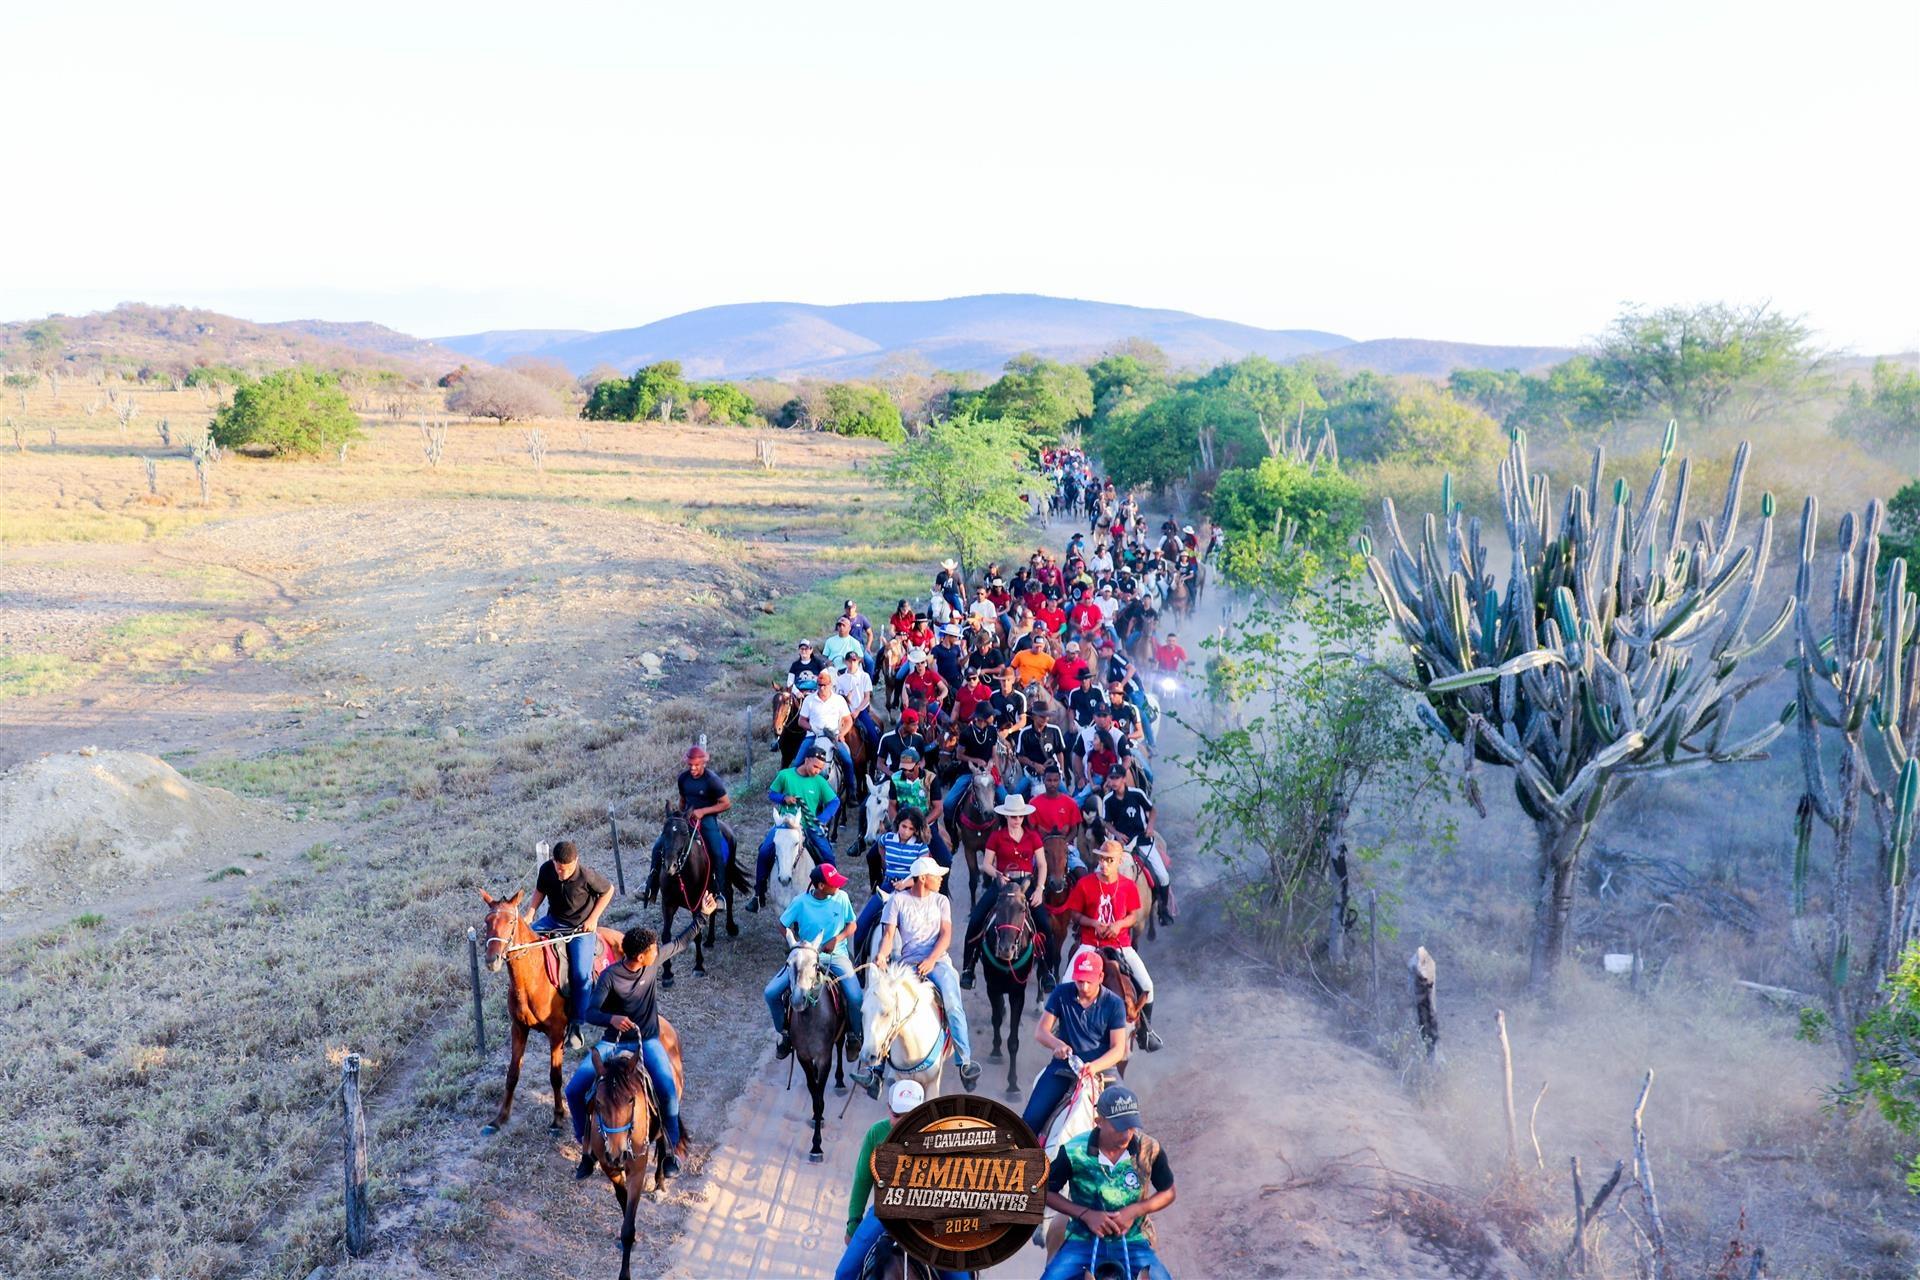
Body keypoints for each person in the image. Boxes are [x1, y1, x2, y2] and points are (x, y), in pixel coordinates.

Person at [567, 894, 718, 1181]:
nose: (656, 951)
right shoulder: (610, 977)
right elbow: (589, 1012)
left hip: (646, 1040)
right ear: (639, 957)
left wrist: (703, 916)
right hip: (612, 1043)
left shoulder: (652, 962)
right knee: (574, 1090)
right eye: (651, 949)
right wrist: (611, 1019)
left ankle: (672, 1150)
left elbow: (681, 942)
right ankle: (586, 1149)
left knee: (668, 1091)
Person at [859, 855, 982, 1090]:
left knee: (952, 1002)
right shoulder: (897, 901)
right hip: (907, 964)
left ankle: (964, 1061)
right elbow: (888, 936)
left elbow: (945, 935)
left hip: (938, 962)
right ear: (923, 878)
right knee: (883, 1003)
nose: (941, 879)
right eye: (937, 876)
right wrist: (882, 955)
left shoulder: (941, 901)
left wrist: (931, 960)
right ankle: (876, 1071)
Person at [835, 1079, 970, 1280]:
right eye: (897, 1115)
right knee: (843, 1274)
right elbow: (863, 1180)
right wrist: (854, 1222)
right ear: (888, 1108)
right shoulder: (876, 1133)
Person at [1039, 1084, 1177, 1280]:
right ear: (1099, 1122)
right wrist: (1086, 1215)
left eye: (1131, 1126)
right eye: (1119, 1127)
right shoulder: (1073, 1151)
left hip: (1134, 1241)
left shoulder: (1149, 1149)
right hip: (1082, 1240)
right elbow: (1045, 1191)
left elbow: (1168, 1191)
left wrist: (1134, 1211)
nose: (1126, 1134)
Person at [1061, 839, 1161, 1051]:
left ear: (1119, 861)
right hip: (1090, 944)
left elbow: (1133, 915)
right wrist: (1093, 923)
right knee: (1066, 983)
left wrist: (1119, 925)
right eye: (1102, 859)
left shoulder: (1128, 886)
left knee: (1148, 985)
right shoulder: (1085, 884)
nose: (1104, 864)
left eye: (1109, 860)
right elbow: (1075, 914)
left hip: (1120, 945)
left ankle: (1145, 1032)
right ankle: (1060, 1028)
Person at [1022, 949, 1130, 1135]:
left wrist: (1094, 1067)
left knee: (1125, 1122)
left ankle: (1133, 1154)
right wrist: (1057, 1044)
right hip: (1065, 1067)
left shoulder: (1114, 1003)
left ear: (1101, 977)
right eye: (1080, 981)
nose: (1084, 987)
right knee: (1030, 1120)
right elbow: (1041, 1031)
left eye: (1089, 981)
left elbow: (1118, 1049)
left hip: (1103, 1070)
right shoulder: (1061, 993)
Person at [767, 864, 863, 1057]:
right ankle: (784, 1034)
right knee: (771, 993)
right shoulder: (800, 902)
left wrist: (837, 939)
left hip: (836, 956)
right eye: (833, 883)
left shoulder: (842, 898)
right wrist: (794, 944)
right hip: (805, 957)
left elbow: (852, 925)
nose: (838, 886)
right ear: (820, 886)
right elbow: (782, 924)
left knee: (855, 997)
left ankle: (854, 1035)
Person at [523, 840, 614, 1040]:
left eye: (566, 870)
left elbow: (608, 891)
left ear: (576, 861)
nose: (561, 873)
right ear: (553, 861)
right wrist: (530, 913)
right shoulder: (547, 870)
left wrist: (593, 919)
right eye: (558, 868)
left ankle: (577, 1023)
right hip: (553, 921)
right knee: (524, 943)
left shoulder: (587, 875)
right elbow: (540, 890)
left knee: (581, 975)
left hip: (579, 928)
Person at [961, 798, 1047, 988]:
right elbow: (986, 864)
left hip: (1026, 884)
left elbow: (1042, 864)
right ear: (1006, 816)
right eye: (1013, 816)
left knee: (1045, 924)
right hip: (1002, 883)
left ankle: (1046, 970)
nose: (1017, 820)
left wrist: (1039, 889)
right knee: (976, 919)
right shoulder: (996, 836)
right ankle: (969, 967)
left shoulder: (1032, 836)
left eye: (1020, 816)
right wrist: (998, 875)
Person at [750, 744, 841, 911]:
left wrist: (822, 819)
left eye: (820, 768)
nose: (817, 771)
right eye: (815, 766)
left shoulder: (820, 781)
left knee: (827, 855)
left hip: (808, 825)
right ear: (806, 760)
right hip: (784, 825)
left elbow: (834, 801)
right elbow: (772, 793)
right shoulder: (785, 775)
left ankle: (831, 891)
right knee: (764, 851)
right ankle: (759, 893)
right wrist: (783, 798)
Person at [853, 808, 928, 960]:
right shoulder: (887, 838)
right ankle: (858, 963)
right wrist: (886, 864)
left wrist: (905, 883)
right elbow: (880, 846)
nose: (906, 831)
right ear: (898, 824)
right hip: (887, 887)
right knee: (860, 925)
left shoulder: (921, 847)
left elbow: (923, 873)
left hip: (910, 891)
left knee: (924, 930)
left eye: (911, 829)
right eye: (903, 826)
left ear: (916, 830)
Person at [796, 673, 856, 783]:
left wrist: (842, 734)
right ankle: (793, 788)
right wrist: (812, 728)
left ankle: (851, 790)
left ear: (830, 685)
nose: (822, 688)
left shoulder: (838, 699)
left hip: (833, 736)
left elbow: (848, 720)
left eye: (825, 685)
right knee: (797, 762)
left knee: (847, 761)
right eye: (819, 685)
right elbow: (801, 720)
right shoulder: (809, 699)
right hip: (814, 735)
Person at [835, 649, 879, 754]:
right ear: (845, 662)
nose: (852, 664)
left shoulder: (864, 676)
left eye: (854, 661)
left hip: (861, 710)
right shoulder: (840, 679)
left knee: (873, 735)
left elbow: (867, 697)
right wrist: (846, 698)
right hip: (845, 712)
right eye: (849, 661)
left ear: (858, 661)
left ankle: (875, 758)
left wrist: (857, 710)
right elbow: (839, 697)